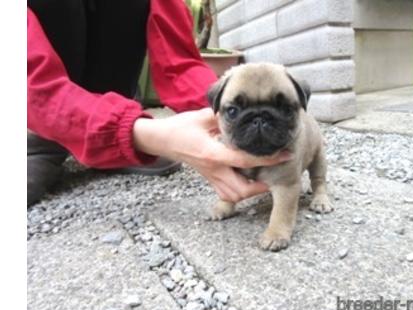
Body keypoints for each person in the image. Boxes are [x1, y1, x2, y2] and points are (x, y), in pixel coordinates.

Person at [27, 0, 290, 207]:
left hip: (112, 94)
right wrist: (131, 131)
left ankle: (112, 125)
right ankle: (39, 139)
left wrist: (221, 113)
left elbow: (177, 59)